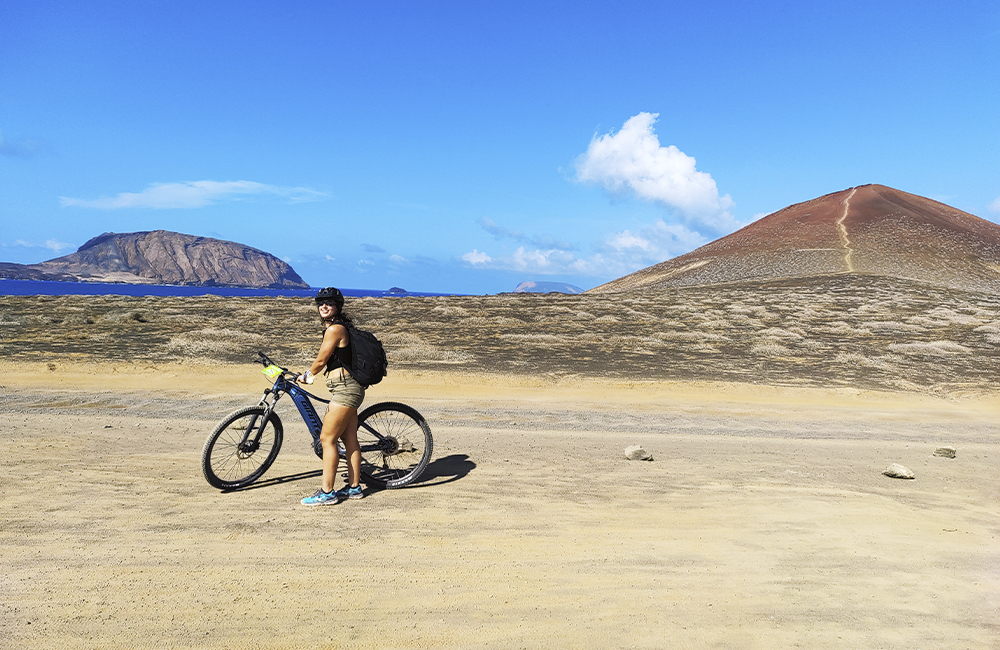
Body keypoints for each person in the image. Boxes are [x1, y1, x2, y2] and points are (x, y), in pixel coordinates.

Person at [298, 287, 365, 506]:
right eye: (320, 303)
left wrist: (308, 375)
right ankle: (354, 488)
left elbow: (321, 360)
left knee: (327, 439)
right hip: (348, 387)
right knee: (350, 439)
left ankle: (327, 492)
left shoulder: (335, 329)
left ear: (337, 306)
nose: (323, 306)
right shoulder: (338, 327)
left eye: (328, 303)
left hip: (345, 389)